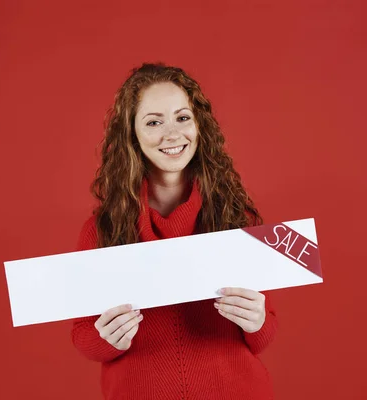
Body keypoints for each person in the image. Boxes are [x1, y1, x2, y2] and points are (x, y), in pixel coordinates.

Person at [71, 63, 278, 400]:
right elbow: (83, 337)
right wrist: (105, 338)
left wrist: (256, 321)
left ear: (199, 126)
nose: (172, 134)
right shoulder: (101, 230)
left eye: (182, 118)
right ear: (132, 135)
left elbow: (265, 331)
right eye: (154, 122)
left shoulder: (236, 217)